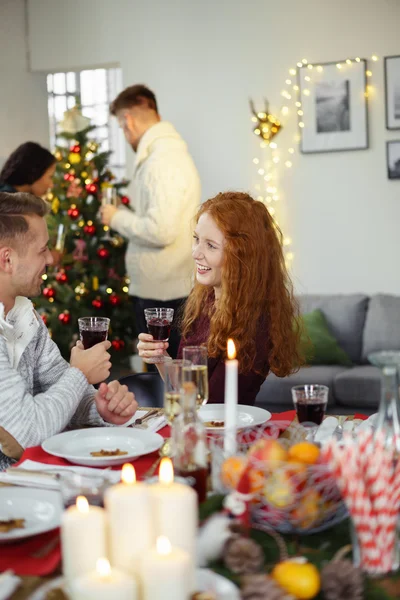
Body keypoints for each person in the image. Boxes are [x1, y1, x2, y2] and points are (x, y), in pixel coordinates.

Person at [0, 192, 138, 470]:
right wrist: (80, 374)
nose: (51, 259)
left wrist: (98, 409)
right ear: (7, 260)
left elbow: (60, 389)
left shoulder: (25, 316)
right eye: (42, 250)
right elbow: (25, 435)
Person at [137, 192, 303, 406]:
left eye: (211, 245)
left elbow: (212, 406)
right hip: (198, 426)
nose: (196, 253)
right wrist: (161, 358)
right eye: (196, 239)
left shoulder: (255, 323)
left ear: (241, 256)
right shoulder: (204, 301)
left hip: (226, 433)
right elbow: (187, 390)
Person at [100, 84, 201, 359]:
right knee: (169, 375)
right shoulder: (166, 155)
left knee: (167, 377)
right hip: (168, 288)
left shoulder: (162, 160)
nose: (125, 133)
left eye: (122, 127)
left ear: (127, 120)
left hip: (164, 294)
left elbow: (161, 230)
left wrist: (116, 217)